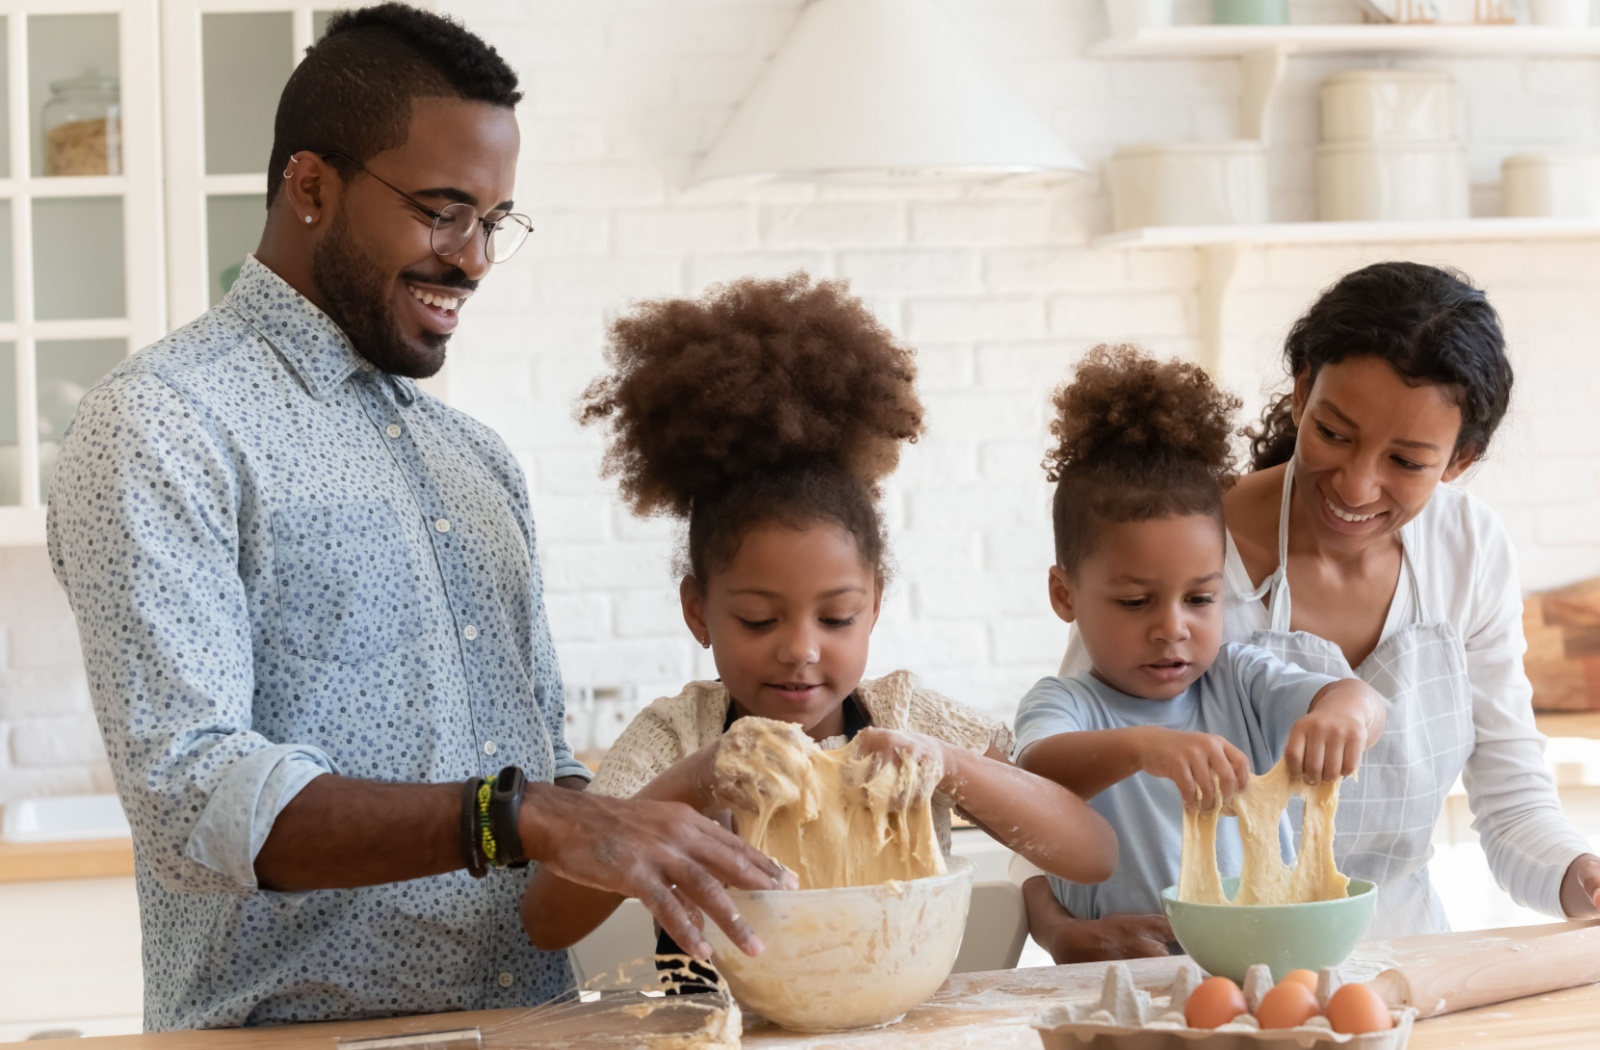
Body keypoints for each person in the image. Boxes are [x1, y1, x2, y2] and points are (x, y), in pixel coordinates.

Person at [46, 5, 787, 1031]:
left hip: (531, 1025)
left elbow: (545, 805)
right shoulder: (163, 424)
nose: (475, 258)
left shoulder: (475, 463)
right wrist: (516, 813)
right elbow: (192, 800)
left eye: (494, 220)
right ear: (311, 187)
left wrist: (667, 804)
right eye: (442, 212)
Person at [520, 275, 1119, 970]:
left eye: (836, 617)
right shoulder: (676, 738)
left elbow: (1092, 853)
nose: (801, 650)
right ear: (698, 612)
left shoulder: (903, 714)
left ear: (875, 605)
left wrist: (947, 765)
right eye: (756, 619)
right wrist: (692, 783)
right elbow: (546, 920)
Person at [1025, 262, 1600, 960]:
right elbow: (1057, 788)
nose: (1357, 484)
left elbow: (1513, 798)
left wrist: (1582, 877)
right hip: (1210, 965)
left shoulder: (1468, 549)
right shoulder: (1183, 561)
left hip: (1408, 962)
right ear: (1301, 394)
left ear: (1460, 460)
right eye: (1335, 433)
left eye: (1408, 462)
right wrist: (1056, 927)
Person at [1011, 346, 1386, 959]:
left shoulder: (1238, 679)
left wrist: (1347, 714)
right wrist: (1141, 747)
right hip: (1124, 969)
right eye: (1136, 602)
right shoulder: (1066, 703)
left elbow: (1356, 699)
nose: (1172, 628)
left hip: (1257, 961)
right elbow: (1034, 773)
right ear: (1065, 595)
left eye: (1200, 598)